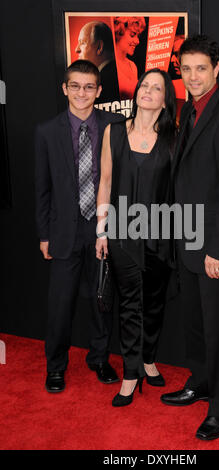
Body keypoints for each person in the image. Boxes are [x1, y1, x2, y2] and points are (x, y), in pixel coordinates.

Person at [160, 35, 219, 440]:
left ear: (217, 69)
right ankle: (199, 382)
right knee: (196, 324)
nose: (193, 76)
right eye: (186, 69)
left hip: (216, 245)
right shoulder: (189, 110)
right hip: (188, 239)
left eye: (201, 68)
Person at [35, 60, 123, 393]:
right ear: (64, 88)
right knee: (60, 305)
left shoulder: (115, 125)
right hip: (63, 233)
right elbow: (42, 187)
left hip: (102, 229)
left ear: (99, 91)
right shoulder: (46, 131)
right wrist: (44, 234)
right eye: (75, 86)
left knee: (101, 300)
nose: (82, 93)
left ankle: (100, 359)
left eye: (89, 87)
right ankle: (55, 366)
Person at [96, 68, 177, 406]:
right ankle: (130, 373)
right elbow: (105, 182)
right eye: (144, 85)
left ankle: (148, 359)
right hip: (121, 234)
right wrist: (101, 231)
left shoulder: (174, 138)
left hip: (161, 235)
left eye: (156, 88)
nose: (147, 91)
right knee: (129, 304)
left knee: (154, 304)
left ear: (165, 100)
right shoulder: (113, 132)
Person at [75, 21, 120, 104]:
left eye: (82, 43)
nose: (77, 49)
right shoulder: (118, 74)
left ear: (99, 47)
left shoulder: (101, 84)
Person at [113, 17, 146, 99]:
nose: (137, 41)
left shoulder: (132, 66)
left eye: (138, 36)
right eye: (132, 35)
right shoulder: (108, 64)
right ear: (119, 32)